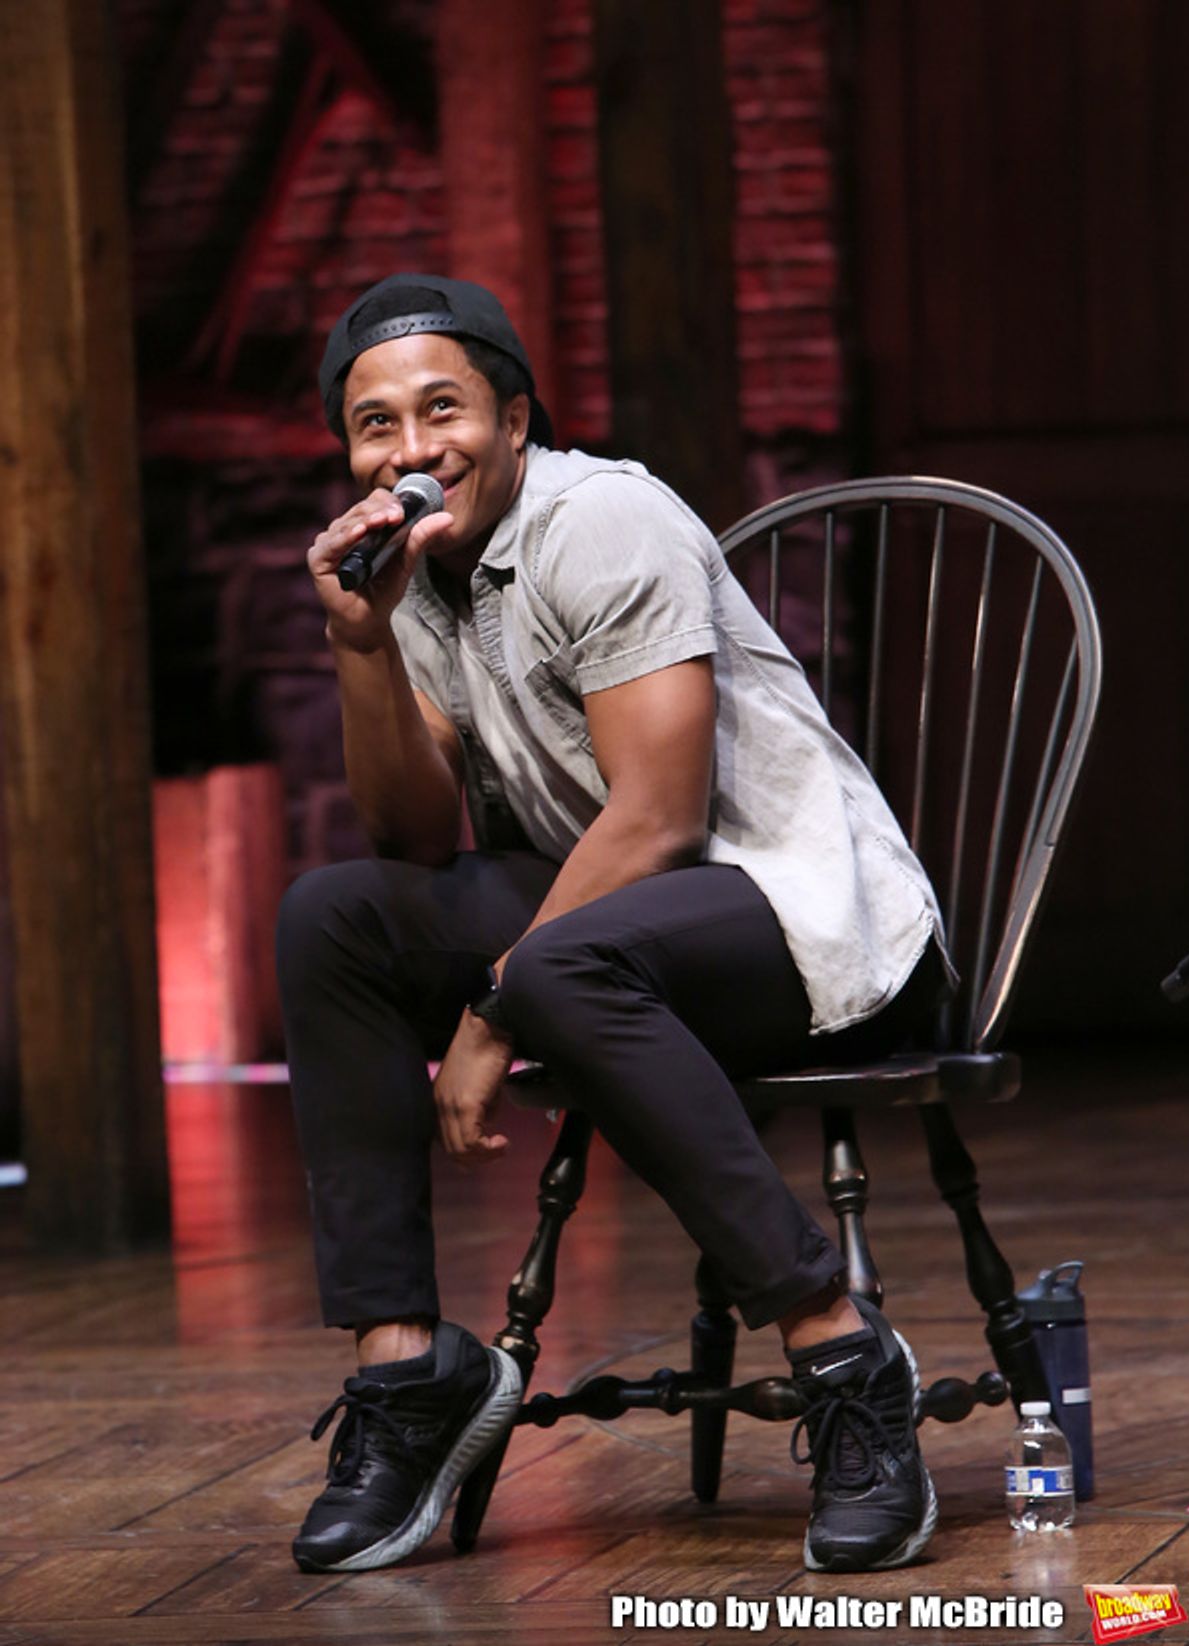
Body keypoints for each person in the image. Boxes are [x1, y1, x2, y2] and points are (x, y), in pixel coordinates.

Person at [278, 272, 952, 1577]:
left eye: (443, 408)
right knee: (332, 916)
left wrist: (490, 1009)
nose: (412, 449)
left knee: (568, 964)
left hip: (801, 910)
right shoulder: (410, 567)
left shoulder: (606, 521)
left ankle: (839, 1344)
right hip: (616, 929)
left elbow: (655, 819)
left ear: (515, 415)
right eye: (375, 424)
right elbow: (416, 843)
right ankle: (408, 1373)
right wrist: (361, 645)